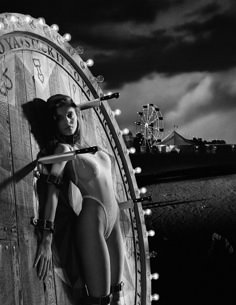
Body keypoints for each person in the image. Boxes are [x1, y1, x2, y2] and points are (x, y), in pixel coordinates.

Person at [33, 94, 124, 305]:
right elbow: (52, 190)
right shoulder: (64, 150)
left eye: (70, 115)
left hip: (114, 222)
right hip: (93, 223)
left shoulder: (98, 151)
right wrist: (46, 238)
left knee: (117, 295)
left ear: (78, 114)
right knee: (100, 300)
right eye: (60, 118)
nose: (67, 122)